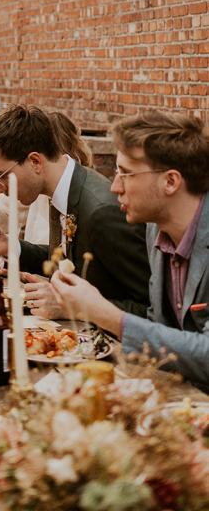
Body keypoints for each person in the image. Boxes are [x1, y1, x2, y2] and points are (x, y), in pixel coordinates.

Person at [52, 110, 209, 393]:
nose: (114, 187)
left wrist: (106, 314)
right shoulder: (156, 229)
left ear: (171, 182)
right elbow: (159, 327)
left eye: (126, 173)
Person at [0, 104, 150, 318]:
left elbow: (150, 310)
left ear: (35, 161)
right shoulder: (62, 189)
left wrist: (70, 307)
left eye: (1, 176)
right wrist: (12, 246)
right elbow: (69, 257)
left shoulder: (102, 213)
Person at [0, 110, 94, 244]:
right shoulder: (36, 185)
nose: (1, 186)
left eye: (3, 175)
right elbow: (4, 209)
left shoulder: (83, 197)